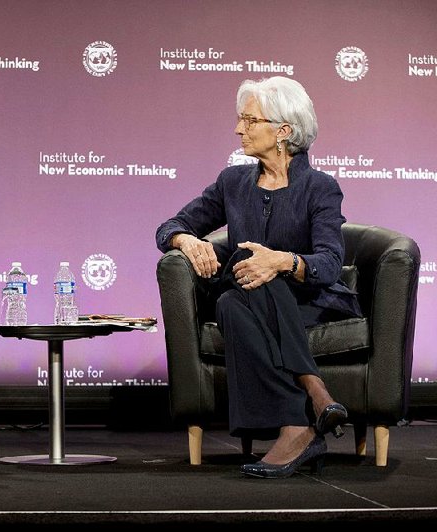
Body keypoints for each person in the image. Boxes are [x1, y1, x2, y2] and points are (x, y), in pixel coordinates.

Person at [155, 77, 362, 479]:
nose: (239, 129)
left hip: (310, 302)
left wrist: (282, 261)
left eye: (251, 120)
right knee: (240, 291)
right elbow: (169, 226)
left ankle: (299, 423)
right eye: (241, 119)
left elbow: (330, 263)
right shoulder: (232, 183)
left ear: (284, 130)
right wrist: (187, 241)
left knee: (243, 291)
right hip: (249, 295)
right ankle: (311, 398)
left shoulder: (320, 188)